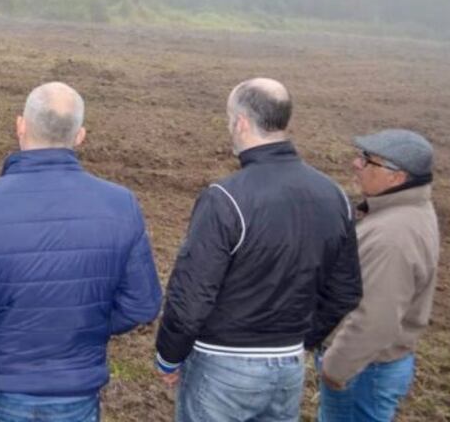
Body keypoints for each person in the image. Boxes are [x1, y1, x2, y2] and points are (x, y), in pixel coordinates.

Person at [0, 82, 163, 422]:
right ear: (80, 135)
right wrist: (87, 325)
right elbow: (142, 305)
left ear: (20, 125)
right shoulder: (121, 205)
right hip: (76, 389)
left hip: (0, 388)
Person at [155, 78, 362, 422]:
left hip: (222, 368)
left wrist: (169, 355)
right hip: (287, 369)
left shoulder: (225, 198)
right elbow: (345, 291)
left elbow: (191, 297)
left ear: (241, 122)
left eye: (228, 120)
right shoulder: (334, 196)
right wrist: (298, 341)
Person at [317, 129, 439, 421]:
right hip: (372, 366)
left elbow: (376, 319)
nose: (356, 165)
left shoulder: (392, 237)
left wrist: (335, 368)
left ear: (396, 177)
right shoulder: (406, 212)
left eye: (368, 161)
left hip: (364, 370)